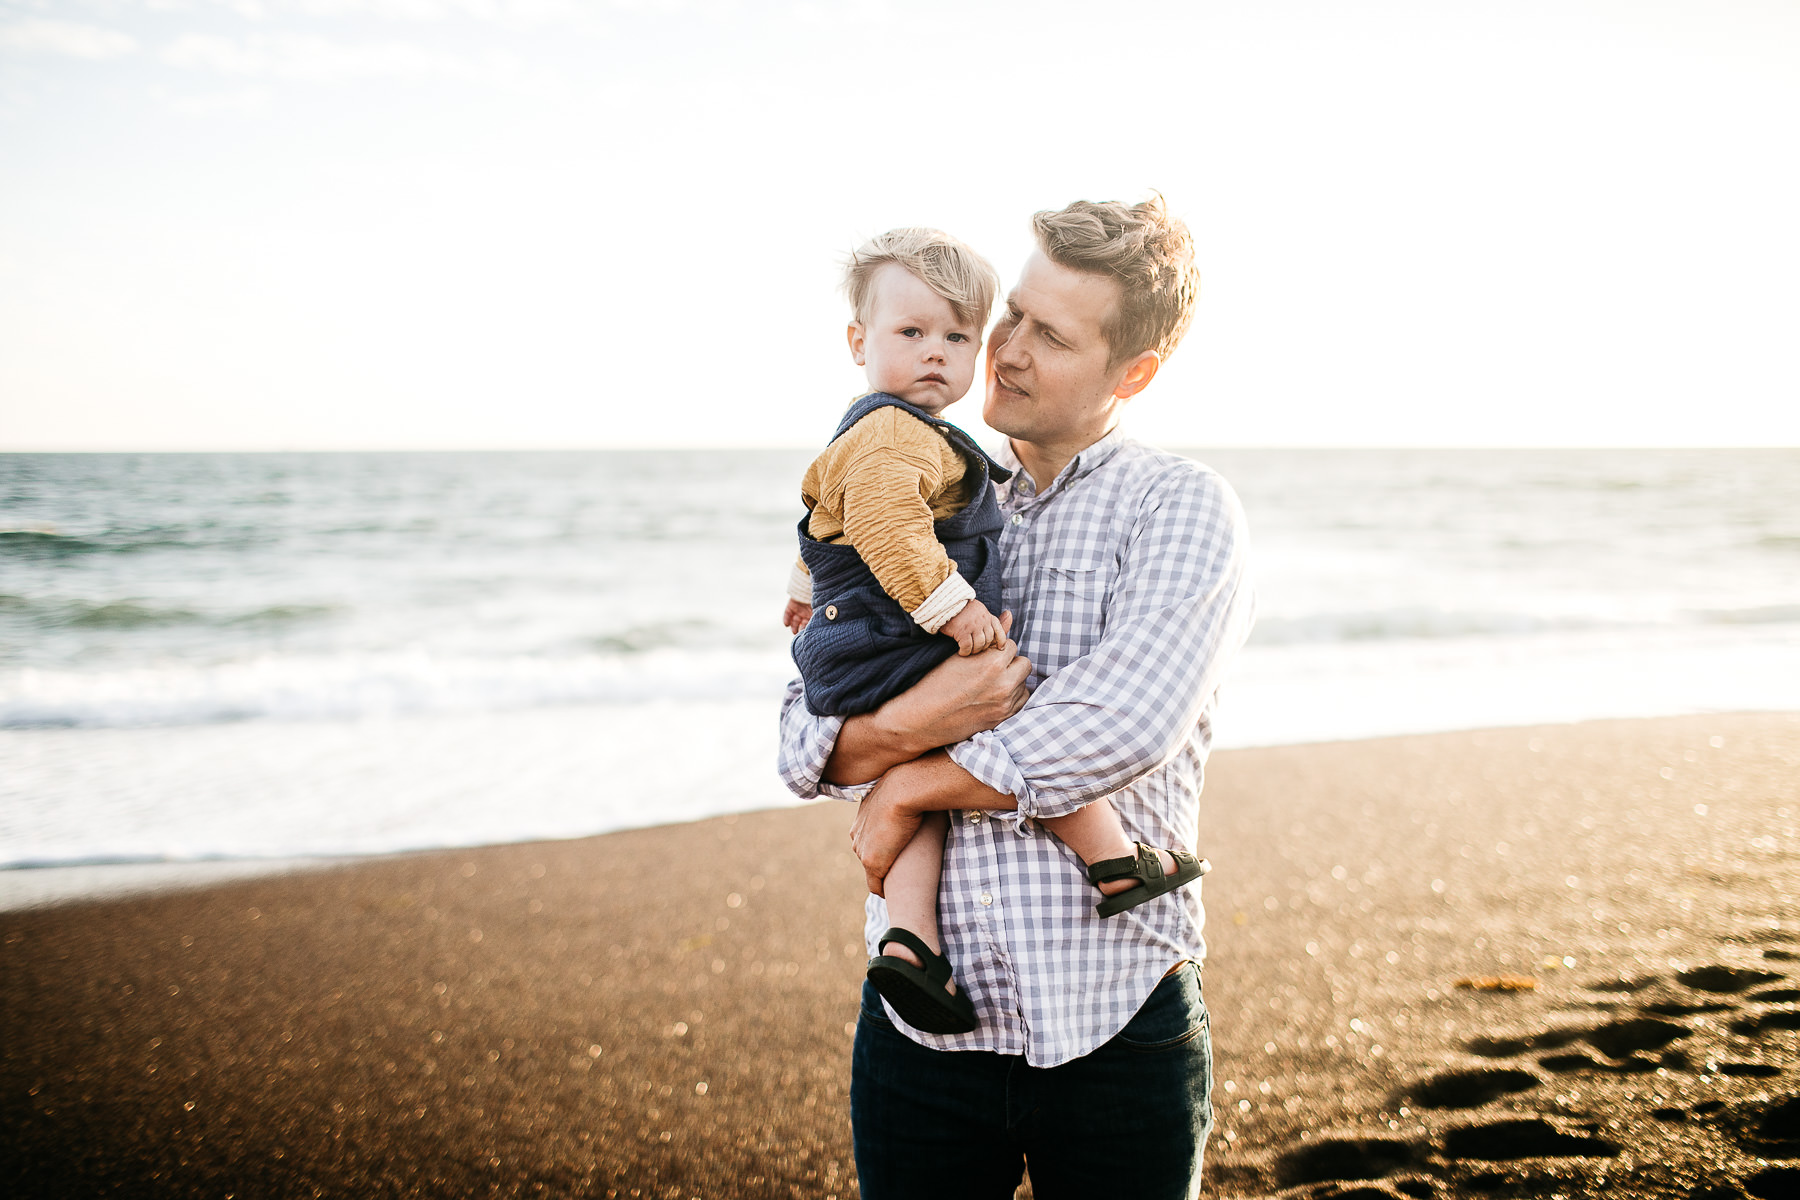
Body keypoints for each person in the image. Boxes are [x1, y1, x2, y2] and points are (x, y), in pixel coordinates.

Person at [777, 195, 1255, 1199]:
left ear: (1133, 373)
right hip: (924, 1033)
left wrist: (906, 784)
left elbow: (1123, 724)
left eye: (1053, 336)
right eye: (1013, 317)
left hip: (1120, 1019)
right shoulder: (910, 480)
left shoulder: (1179, 507)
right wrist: (914, 724)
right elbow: (800, 737)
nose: (1007, 350)